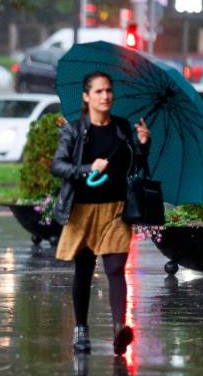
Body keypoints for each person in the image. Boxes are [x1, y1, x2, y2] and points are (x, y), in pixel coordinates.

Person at [50, 71, 150, 356]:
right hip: (81, 211)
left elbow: (136, 165)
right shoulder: (74, 130)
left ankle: (120, 329)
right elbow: (58, 165)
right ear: (86, 96)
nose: (105, 96)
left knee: (116, 269)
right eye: (98, 91)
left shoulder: (122, 128)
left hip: (116, 210)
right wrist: (86, 169)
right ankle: (81, 330)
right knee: (83, 270)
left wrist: (143, 145)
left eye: (108, 91)